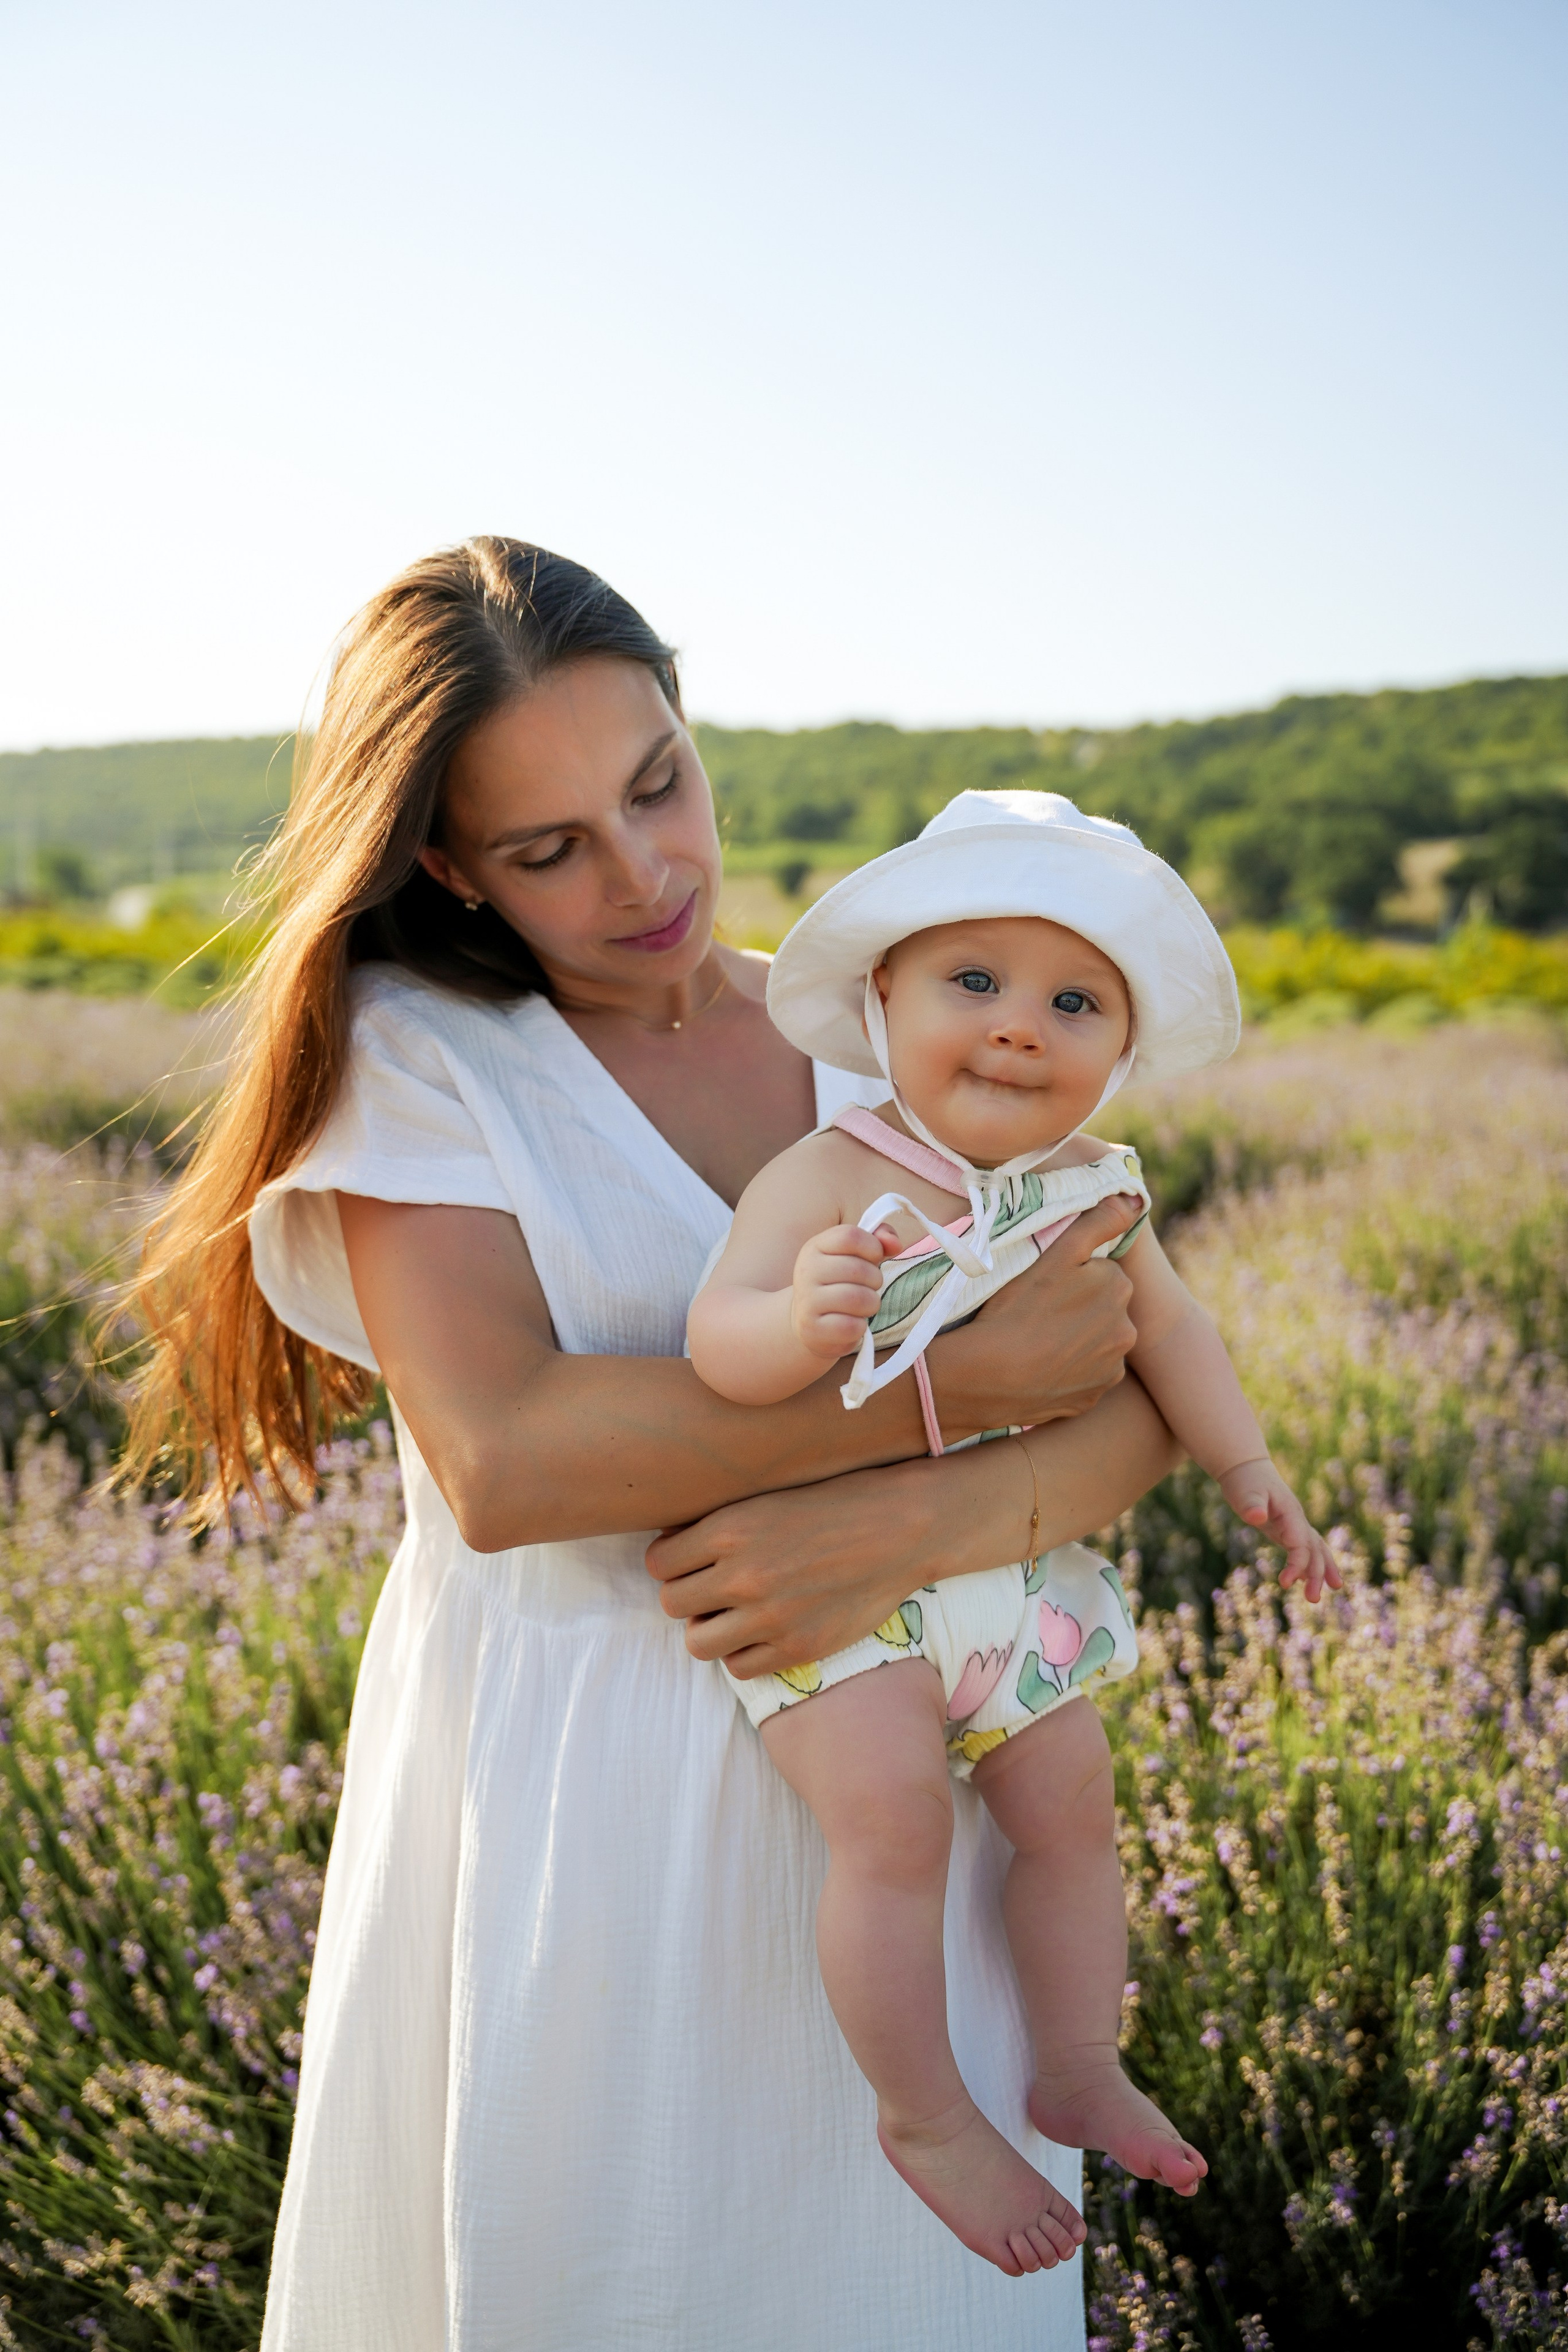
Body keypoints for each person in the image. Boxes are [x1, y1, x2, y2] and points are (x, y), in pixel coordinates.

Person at [125, 538, 1184, 2351]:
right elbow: (511, 1460)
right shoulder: (430, 1059)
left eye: (655, 786)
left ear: (693, 725)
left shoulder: (891, 1032)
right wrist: (967, 1388)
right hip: (590, 1815)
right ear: (447, 863)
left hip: (908, 1819)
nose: (645, 876)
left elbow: (1125, 1390)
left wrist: (921, 1518)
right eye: (549, 851)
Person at [688, 791, 1343, 2274]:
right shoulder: (839, 1173)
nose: (1018, 1028)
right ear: (882, 1002)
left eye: (1073, 1003)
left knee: (1071, 1806)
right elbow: (714, 1340)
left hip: (1012, 1585)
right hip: (842, 1592)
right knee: (894, 1823)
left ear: (1118, 1053)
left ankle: (1074, 2058)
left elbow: (1170, 1331)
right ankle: (920, 2113)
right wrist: (792, 1319)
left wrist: (1247, 1466)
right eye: (970, 983)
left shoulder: (1094, 1189)